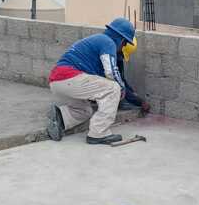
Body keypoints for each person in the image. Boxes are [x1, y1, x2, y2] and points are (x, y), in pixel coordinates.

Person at [46, 17, 135, 145]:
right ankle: (99, 133)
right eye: (125, 43)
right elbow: (111, 71)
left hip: (58, 82)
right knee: (113, 88)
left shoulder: (97, 39)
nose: (122, 47)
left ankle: (60, 116)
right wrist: (121, 88)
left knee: (84, 111)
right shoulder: (108, 42)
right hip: (69, 77)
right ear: (121, 39)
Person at [117, 37, 151, 114]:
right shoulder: (110, 56)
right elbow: (117, 83)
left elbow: (121, 79)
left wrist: (132, 92)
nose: (122, 57)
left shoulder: (117, 55)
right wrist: (139, 102)